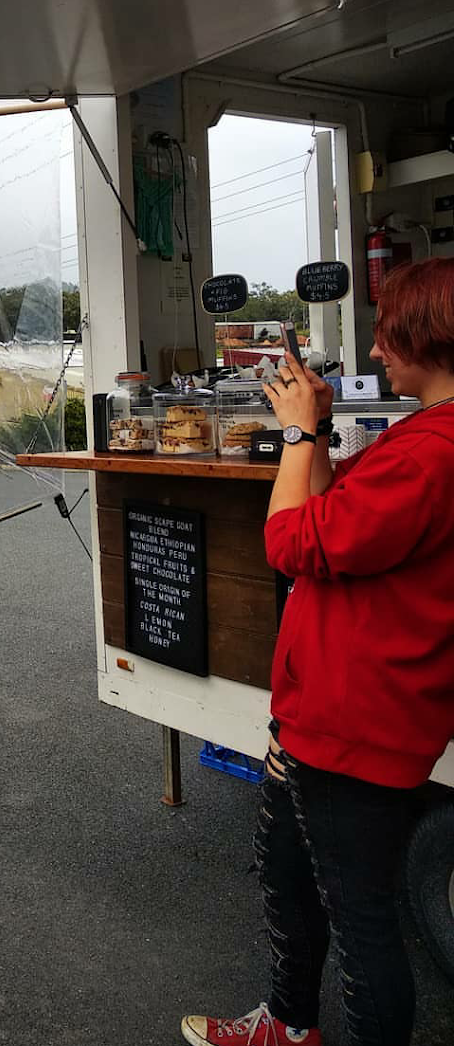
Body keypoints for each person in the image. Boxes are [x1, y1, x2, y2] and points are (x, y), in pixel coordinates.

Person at [182, 256, 454, 1046]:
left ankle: (295, 1025)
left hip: (355, 719)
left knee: (363, 925)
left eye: (390, 334)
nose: (375, 353)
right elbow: (339, 512)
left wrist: (298, 432)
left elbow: (291, 538)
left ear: (431, 334)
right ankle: (289, 1025)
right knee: (290, 874)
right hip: (331, 709)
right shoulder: (425, 437)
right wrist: (322, 431)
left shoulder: (430, 453)